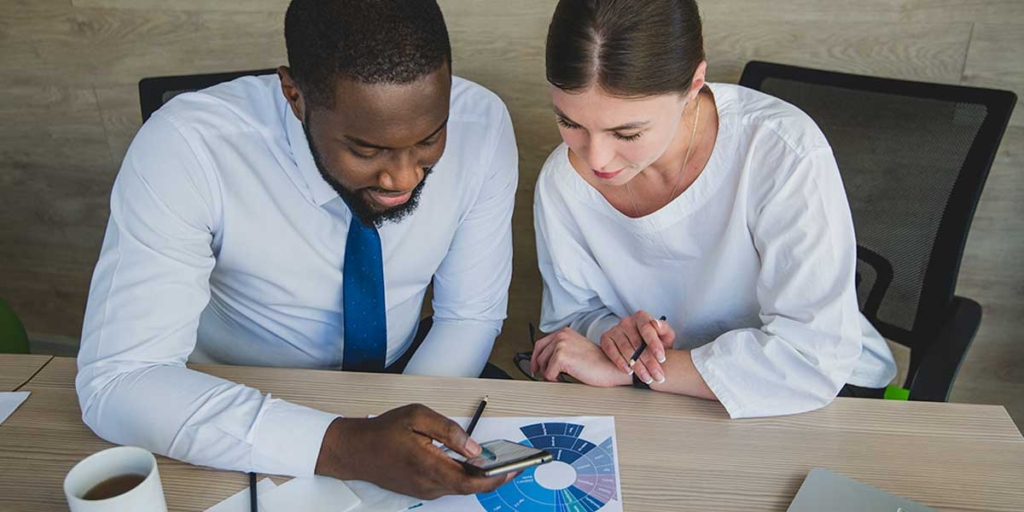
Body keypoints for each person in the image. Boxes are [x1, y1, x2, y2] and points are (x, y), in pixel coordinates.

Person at [76, 0, 519, 499]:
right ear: (294, 95)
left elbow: (468, 315)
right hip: (233, 400)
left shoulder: (482, 124)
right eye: (366, 149)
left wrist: (405, 433)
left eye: (429, 140)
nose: (403, 178)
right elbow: (117, 382)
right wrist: (347, 446)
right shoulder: (187, 147)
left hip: (403, 374)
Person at [530, 0, 897, 418]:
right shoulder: (563, 181)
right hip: (666, 396)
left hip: (821, 394)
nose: (596, 158)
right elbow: (574, 315)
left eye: (627, 133)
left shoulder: (780, 150)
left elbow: (811, 359)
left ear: (694, 85)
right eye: (570, 123)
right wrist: (613, 337)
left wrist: (637, 370)